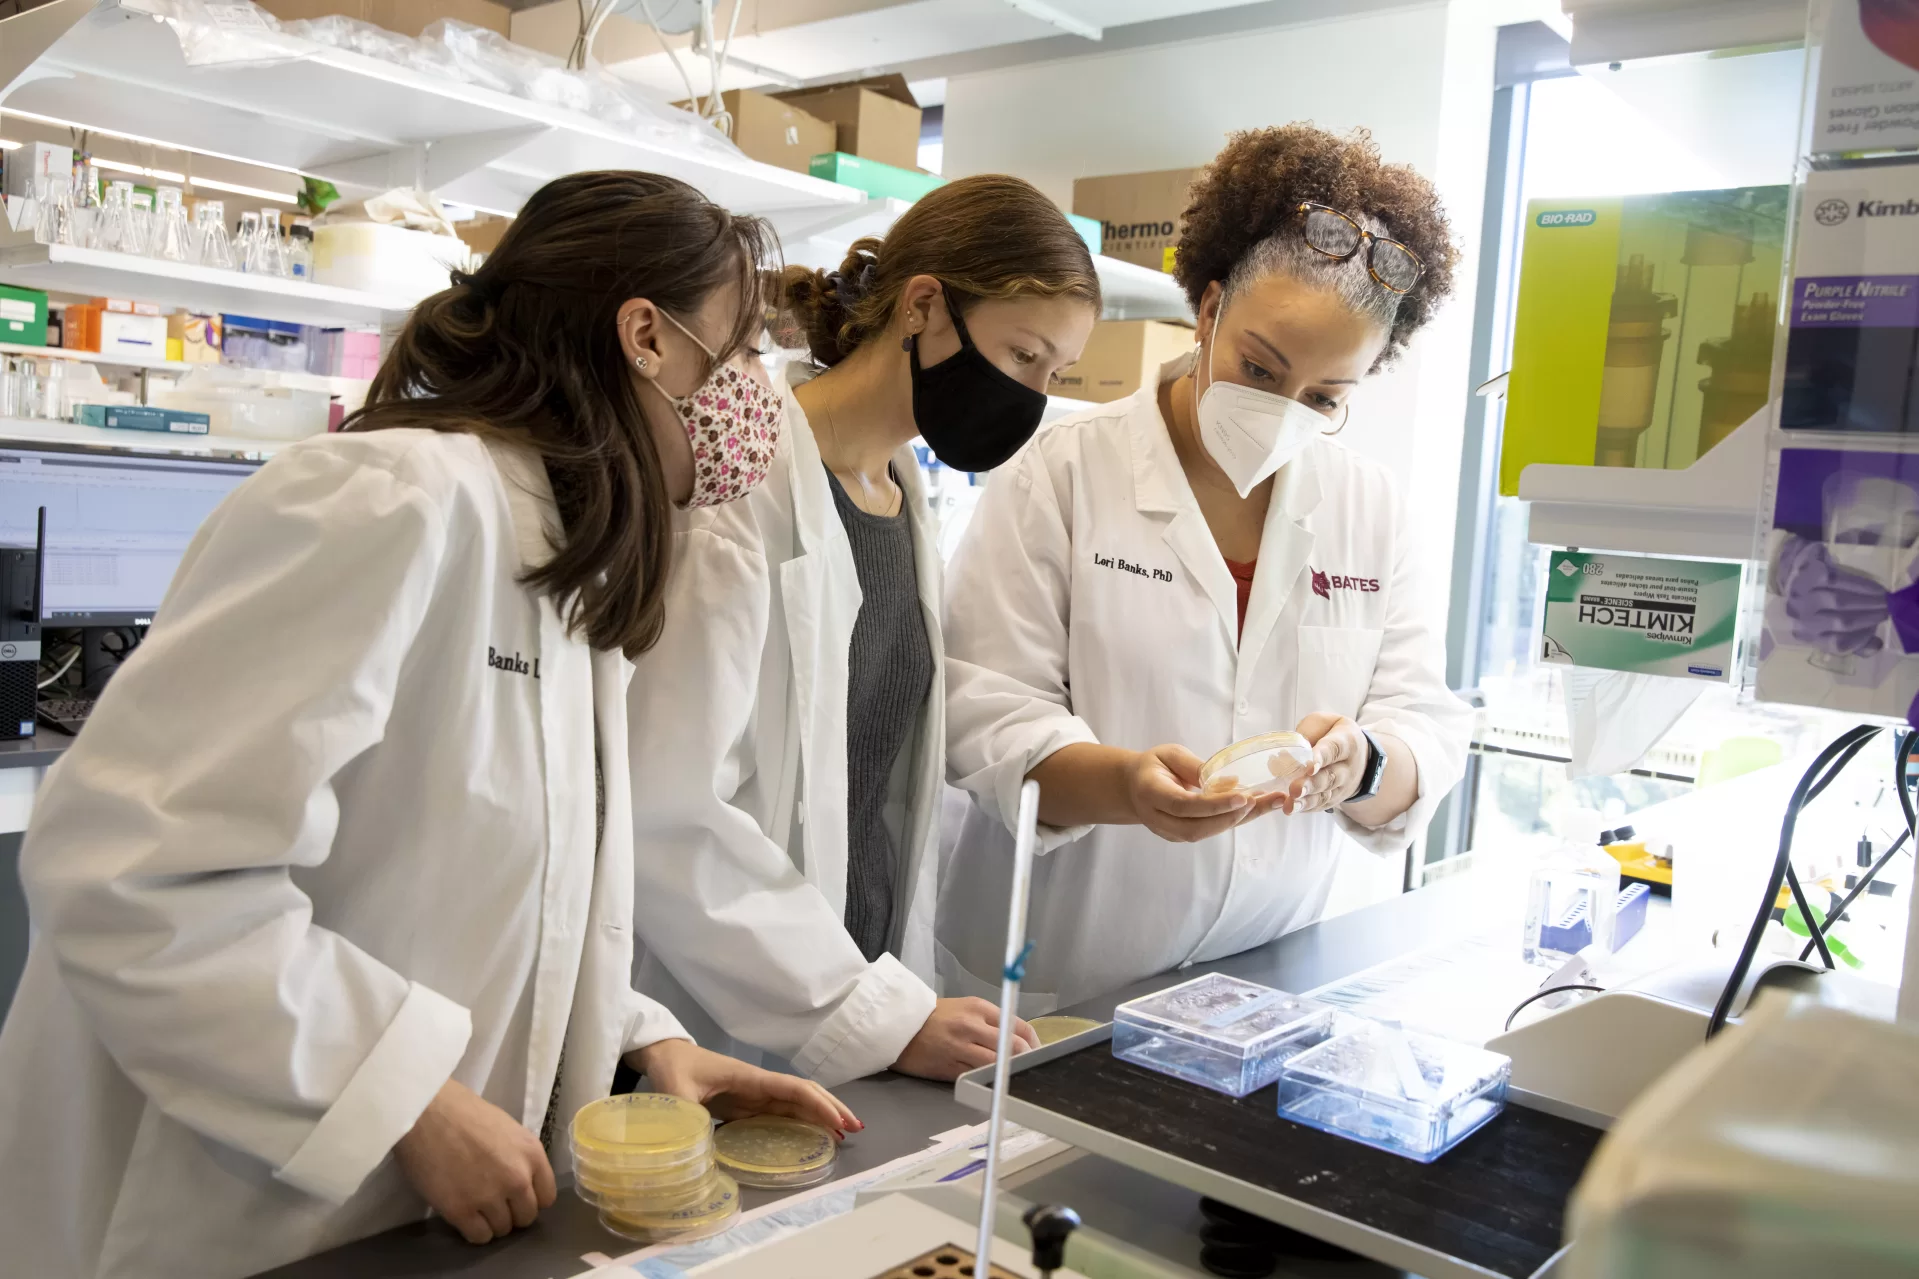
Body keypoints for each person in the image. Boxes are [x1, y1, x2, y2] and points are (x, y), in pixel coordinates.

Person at [0, 171, 854, 1279]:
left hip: (399, 1226)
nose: (756, 403)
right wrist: (397, 1094)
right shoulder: (389, 499)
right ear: (645, 336)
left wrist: (646, 1044)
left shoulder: (558, 557)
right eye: (739, 358)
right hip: (224, 1215)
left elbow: (516, 901)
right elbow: (133, 872)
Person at [939, 126, 1475, 1011]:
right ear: (1209, 308)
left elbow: (1423, 721)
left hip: (1265, 985)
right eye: (1259, 368)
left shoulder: (1371, 509)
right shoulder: (1062, 474)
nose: (1280, 410)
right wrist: (1123, 786)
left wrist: (1364, 763)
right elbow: (983, 710)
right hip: (1057, 977)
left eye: (1324, 398)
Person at [624, 175, 1100, 1083]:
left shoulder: (897, 492)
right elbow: (671, 805)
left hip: (869, 980)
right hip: (728, 1004)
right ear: (925, 306)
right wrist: (858, 1011)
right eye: (1023, 354)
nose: (1032, 395)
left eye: (1055, 374)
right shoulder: (746, 485)